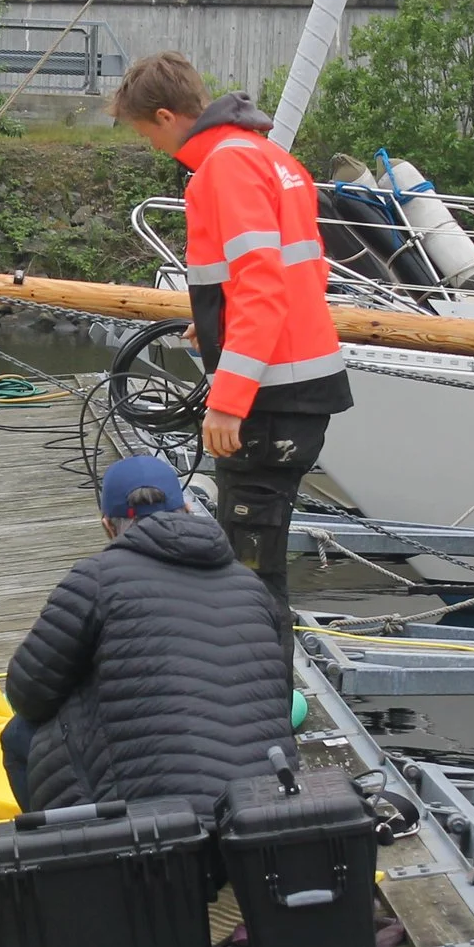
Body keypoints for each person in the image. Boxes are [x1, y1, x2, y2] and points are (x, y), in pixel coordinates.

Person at [111, 51, 351, 633]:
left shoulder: (224, 167)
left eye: (146, 133)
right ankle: (261, 703)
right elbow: (304, 274)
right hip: (302, 385)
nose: (152, 146)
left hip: (273, 398)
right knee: (253, 561)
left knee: (251, 575)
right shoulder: (270, 156)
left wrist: (227, 401)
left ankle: (261, 709)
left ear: (166, 116)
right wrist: (215, 323)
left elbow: (264, 286)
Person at [1, 454, 296, 816]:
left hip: (153, 827)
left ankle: (71, 853)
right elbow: (280, 698)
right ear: (187, 510)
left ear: (108, 526)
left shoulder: (94, 578)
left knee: (19, 735)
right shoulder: (252, 586)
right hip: (263, 814)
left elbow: (28, 695)